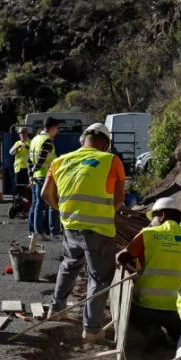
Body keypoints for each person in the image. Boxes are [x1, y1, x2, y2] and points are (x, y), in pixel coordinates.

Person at [42, 123, 126, 343]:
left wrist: (62, 210)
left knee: (69, 264)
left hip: (70, 224)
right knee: (99, 277)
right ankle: (91, 329)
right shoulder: (111, 160)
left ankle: (57, 309)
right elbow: (119, 199)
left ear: (82, 140)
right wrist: (104, 214)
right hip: (99, 229)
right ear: (106, 144)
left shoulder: (60, 161)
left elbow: (45, 193)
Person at [116, 197, 181, 348]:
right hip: (179, 309)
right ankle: (176, 341)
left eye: (152, 217)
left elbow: (121, 258)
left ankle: (154, 333)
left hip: (146, 308)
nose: (151, 221)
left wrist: (130, 269)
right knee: (178, 331)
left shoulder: (147, 234)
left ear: (161, 215)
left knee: (128, 308)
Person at [28, 116, 59, 240]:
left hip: (37, 177)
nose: (57, 132)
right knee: (48, 204)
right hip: (45, 176)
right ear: (52, 128)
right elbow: (41, 158)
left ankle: (36, 231)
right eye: (57, 129)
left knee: (37, 205)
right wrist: (35, 169)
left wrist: (31, 173)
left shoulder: (35, 139)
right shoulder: (47, 141)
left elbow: (29, 159)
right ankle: (42, 232)